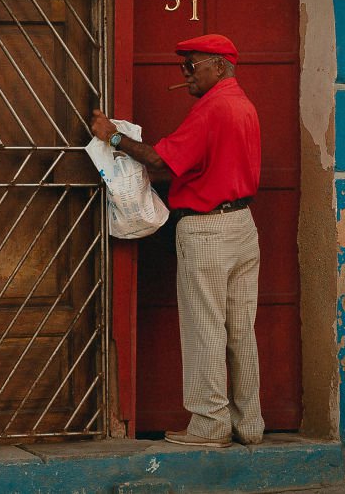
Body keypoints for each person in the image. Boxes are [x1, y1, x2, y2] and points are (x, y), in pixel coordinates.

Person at [90, 34, 264, 448]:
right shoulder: (243, 104)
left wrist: (112, 136)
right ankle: (250, 424)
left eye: (192, 65)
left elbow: (161, 160)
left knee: (206, 328)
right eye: (183, 66)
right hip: (242, 225)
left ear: (218, 66)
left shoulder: (212, 108)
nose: (185, 74)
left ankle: (210, 424)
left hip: (207, 229)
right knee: (241, 330)